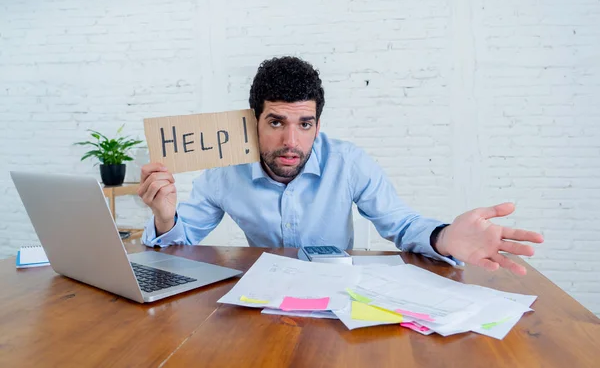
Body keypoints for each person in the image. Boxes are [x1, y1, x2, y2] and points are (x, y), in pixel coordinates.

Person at [139, 56, 543, 275]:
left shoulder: (349, 162)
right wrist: (164, 215)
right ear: (253, 121)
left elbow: (400, 225)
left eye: (305, 124)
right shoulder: (223, 173)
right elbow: (179, 242)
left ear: (318, 124)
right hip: (260, 294)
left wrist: (443, 238)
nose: (291, 143)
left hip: (339, 292)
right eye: (276, 122)